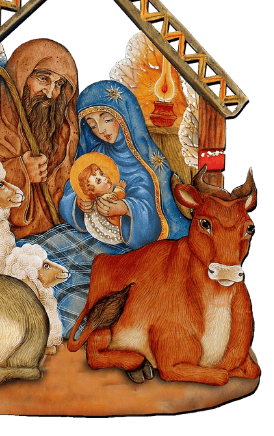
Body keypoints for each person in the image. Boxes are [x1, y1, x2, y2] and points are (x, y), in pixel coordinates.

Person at [23, 80, 191, 336]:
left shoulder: (146, 163)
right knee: (36, 252)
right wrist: (79, 203)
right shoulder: (96, 155)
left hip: (124, 250)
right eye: (92, 124)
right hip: (89, 234)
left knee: (76, 286)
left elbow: (152, 213)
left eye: (106, 119)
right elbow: (71, 191)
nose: (100, 130)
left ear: (125, 117)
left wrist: (125, 208)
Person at [0, 38, 79, 238]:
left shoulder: (63, 132)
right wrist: (20, 171)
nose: (50, 93)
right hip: (10, 241)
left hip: (58, 233)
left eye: (59, 84)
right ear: (21, 76)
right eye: (43, 78)